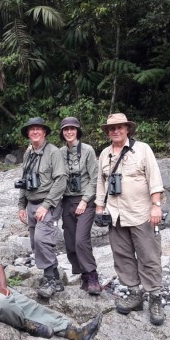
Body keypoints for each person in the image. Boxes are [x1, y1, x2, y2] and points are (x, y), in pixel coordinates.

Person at [0, 201, 102, 340]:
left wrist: (3, 287)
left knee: (29, 305)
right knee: (3, 304)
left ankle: (74, 333)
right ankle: (29, 325)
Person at [95, 113, 166, 325]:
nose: (115, 131)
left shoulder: (143, 149)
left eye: (120, 127)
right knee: (122, 256)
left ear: (127, 129)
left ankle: (155, 297)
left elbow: (155, 179)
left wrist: (156, 206)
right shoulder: (105, 154)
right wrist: (99, 207)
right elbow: (101, 183)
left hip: (141, 213)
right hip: (115, 215)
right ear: (108, 132)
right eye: (111, 128)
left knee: (149, 256)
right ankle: (135, 294)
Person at [17, 117, 67, 299]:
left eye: (39, 129)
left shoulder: (53, 152)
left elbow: (61, 180)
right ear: (28, 134)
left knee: (42, 239)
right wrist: (21, 205)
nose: (35, 132)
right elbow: (24, 180)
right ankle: (55, 278)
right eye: (32, 130)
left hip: (48, 203)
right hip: (31, 203)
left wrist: (46, 205)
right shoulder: (28, 153)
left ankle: (49, 280)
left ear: (44, 132)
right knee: (34, 242)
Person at [59, 117, 101, 295]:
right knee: (70, 243)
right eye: (66, 129)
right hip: (66, 201)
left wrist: (85, 201)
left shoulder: (88, 150)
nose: (69, 132)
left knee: (81, 240)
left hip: (85, 200)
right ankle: (83, 276)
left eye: (72, 129)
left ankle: (92, 276)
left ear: (77, 131)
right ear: (62, 132)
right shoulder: (59, 152)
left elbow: (95, 178)